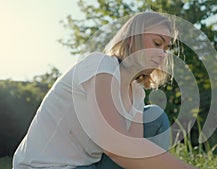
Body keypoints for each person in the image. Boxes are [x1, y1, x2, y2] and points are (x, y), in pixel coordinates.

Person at [13, 12, 198, 169]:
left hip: (87, 165)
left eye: (167, 48)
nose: (162, 54)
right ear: (133, 39)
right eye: (157, 43)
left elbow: (133, 154)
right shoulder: (100, 65)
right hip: (44, 166)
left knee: (155, 117)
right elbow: (115, 146)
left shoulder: (137, 92)